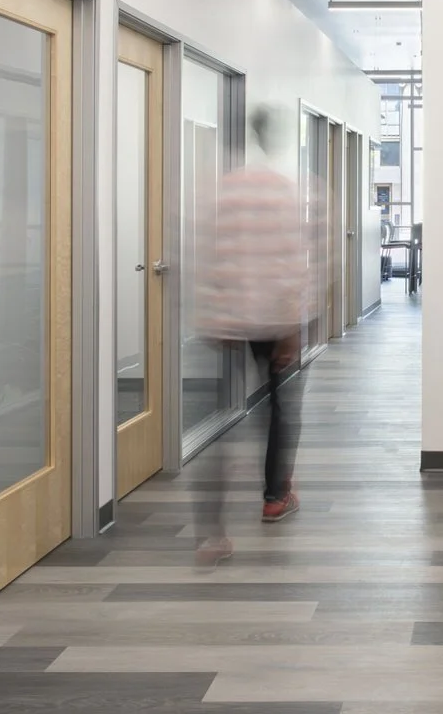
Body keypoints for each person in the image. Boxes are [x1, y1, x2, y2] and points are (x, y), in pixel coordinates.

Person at [191, 107, 308, 564]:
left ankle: (212, 534)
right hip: (274, 321)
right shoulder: (280, 190)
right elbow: (294, 262)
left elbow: (204, 254)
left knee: (221, 423)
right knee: (280, 412)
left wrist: (210, 315)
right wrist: (294, 326)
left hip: (226, 321)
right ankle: (275, 497)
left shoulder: (221, 190)